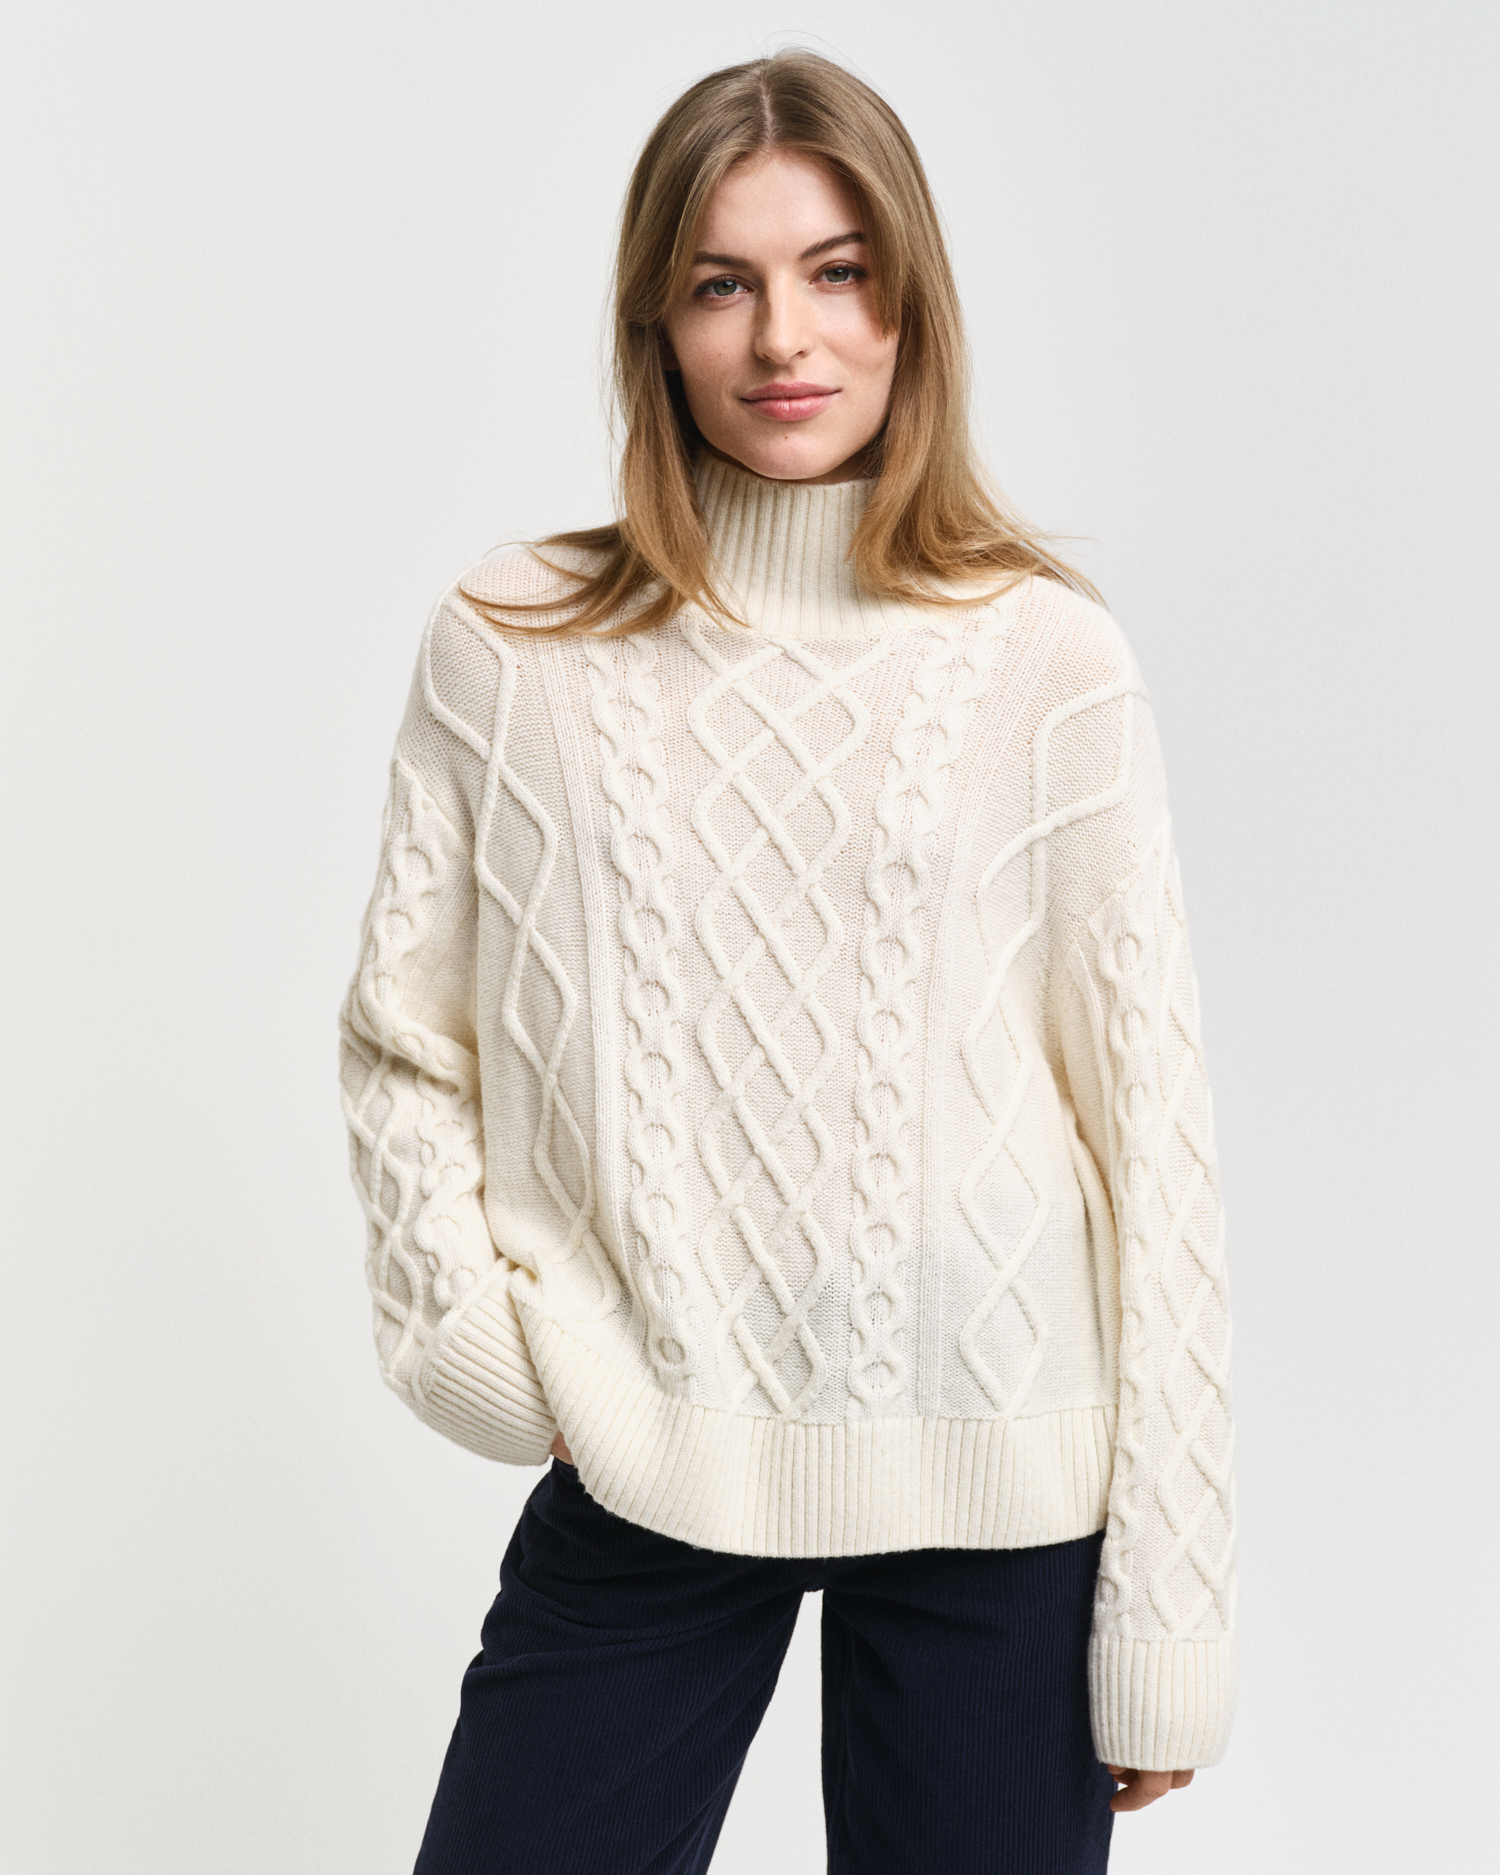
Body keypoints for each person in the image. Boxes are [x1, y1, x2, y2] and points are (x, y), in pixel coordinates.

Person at [338, 48, 1234, 1875]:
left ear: (911, 305)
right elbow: (404, 1045)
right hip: (649, 1434)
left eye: (838, 272)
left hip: (1000, 1472)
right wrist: (487, 1353)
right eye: (720, 283)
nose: (782, 338)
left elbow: (1156, 1142)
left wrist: (1173, 1611)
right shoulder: (512, 649)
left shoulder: (1046, 663)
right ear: (655, 326)